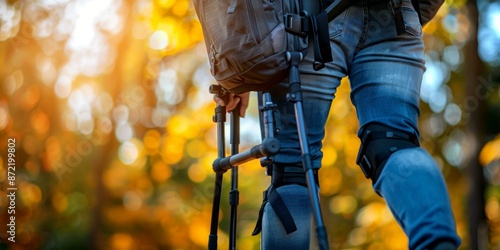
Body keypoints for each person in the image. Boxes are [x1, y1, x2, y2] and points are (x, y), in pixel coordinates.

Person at [214, 0, 462, 249]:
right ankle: (438, 243)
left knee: (293, 168)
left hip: (306, 21)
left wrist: (240, 56)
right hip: (395, 18)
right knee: (394, 143)